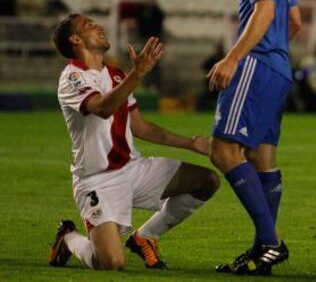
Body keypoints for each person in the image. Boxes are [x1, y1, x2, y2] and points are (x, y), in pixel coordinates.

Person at [49, 13, 219, 271]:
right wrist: (137, 74)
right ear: (75, 39)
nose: (99, 26)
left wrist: (190, 143)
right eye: (89, 25)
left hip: (133, 169)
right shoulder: (72, 78)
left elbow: (140, 126)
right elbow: (103, 108)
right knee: (110, 263)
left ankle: (145, 237)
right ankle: (69, 239)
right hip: (97, 180)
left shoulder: (116, 75)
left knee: (206, 181)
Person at [207, 0, 302, 276]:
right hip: (278, 69)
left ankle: (271, 242)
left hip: (258, 65)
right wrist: (274, 49)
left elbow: (263, 9)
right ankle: (263, 251)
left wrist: (235, 58)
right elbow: (292, 21)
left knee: (223, 151)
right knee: (262, 158)